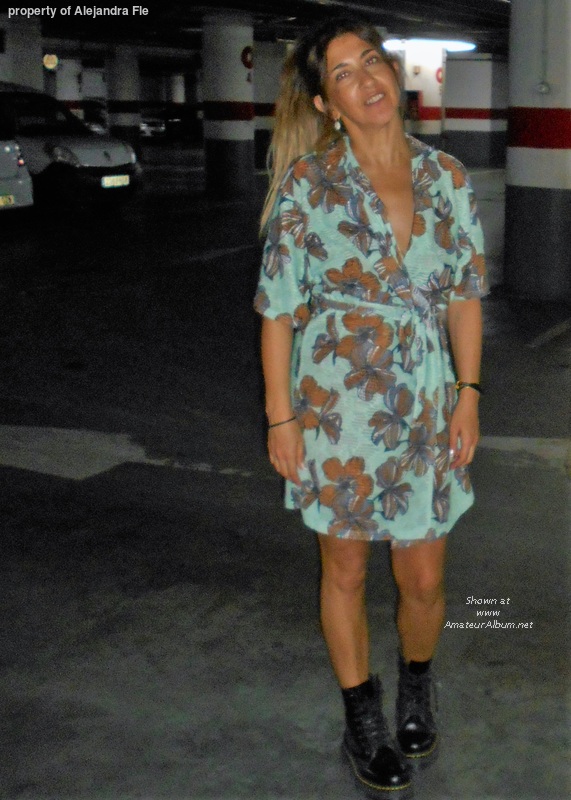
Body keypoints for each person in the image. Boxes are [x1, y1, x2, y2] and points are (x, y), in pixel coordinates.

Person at [254, 16, 488, 797]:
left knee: (421, 575)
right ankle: (361, 715)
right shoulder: (308, 184)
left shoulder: (445, 175)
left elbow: (462, 295)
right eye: (343, 73)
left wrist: (467, 396)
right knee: (345, 566)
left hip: (424, 403)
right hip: (335, 407)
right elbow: (277, 310)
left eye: (371, 61)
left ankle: (416, 683)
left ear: (393, 72)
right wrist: (280, 417)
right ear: (326, 103)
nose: (366, 79)